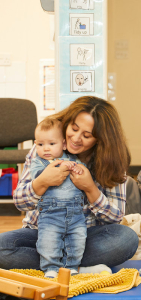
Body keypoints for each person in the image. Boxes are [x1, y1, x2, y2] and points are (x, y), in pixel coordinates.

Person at [0, 96, 139, 272]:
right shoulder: (46, 146)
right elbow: (20, 202)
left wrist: (90, 188)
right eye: (73, 128)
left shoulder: (112, 161)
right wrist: (42, 182)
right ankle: (77, 268)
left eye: (86, 135)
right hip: (41, 232)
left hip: (84, 235)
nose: (76, 138)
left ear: (101, 139)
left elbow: (116, 217)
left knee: (126, 239)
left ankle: (54, 265)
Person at [31, 118, 88, 278]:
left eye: (51, 144)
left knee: (78, 240)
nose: (46, 149)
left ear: (63, 144)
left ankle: (72, 267)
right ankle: (51, 268)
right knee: (48, 242)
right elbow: (38, 176)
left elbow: (84, 177)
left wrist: (78, 170)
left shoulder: (74, 160)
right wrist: (59, 168)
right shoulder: (38, 162)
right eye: (40, 145)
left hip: (76, 215)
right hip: (51, 214)